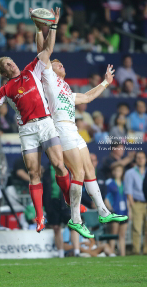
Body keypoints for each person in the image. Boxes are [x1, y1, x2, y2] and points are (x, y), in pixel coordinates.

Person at [0, 8, 71, 234]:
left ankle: (70, 200)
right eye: (6, 64)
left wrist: (50, 26)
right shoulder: (5, 88)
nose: (11, 64)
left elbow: (48, 49)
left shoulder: (31, 70)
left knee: (59, 166)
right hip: (27, 130)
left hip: (45, 123)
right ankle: (39, 216)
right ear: (3, 72)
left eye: (11, 61)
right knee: (35, 174)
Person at [35, 16, 128, 239]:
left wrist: (105, 82)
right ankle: (75, 219)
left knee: (89, 171)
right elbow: (43, 52)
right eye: (59, 64)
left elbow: (87, 96)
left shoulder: (66, 88)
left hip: (73, 130)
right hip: (61, 129)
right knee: (77, 173)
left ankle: (104, 212)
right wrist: (45, 29)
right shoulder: (47, 76)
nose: (61, 65)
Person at [43, 164, 83, 258]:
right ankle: (60, 253)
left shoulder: (68, 168)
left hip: (66, 200)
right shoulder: (47, 171)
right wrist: (45, 205)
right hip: (53, 202)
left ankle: (76, 251)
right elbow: (45, 189)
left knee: (73, 226)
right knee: (56, 228)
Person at [124, 151, 147, 255]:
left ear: (145, 159)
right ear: (135, 159)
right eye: (138, 158)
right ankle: (136, 251)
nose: (140, 160)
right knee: (137, 228)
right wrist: (132, 205)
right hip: (137, 203)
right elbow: (128, 190)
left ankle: (146, 250)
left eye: (142, 158)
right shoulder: (130, 173)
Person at [105, 165, 128, 256]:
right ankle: (112, 253)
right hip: (115, 212)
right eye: (116, 170)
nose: (117, 172)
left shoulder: (124, 183)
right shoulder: (109, 183)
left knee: (122, 235)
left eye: (119, 171)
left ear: (122, 172)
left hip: (124, 212)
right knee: (113, 234)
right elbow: (106, 198)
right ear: (113, 172)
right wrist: (110, 209)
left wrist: (129, 211)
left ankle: (123, 254)